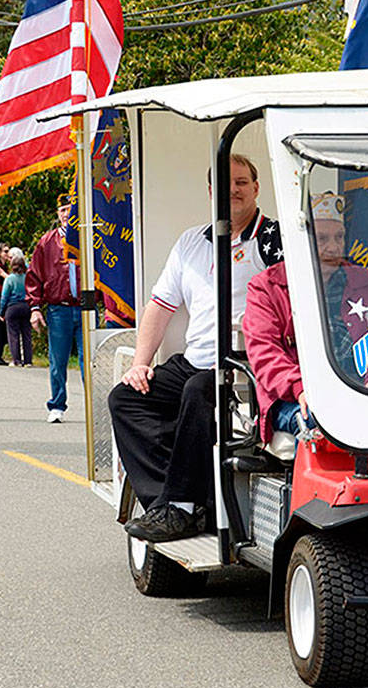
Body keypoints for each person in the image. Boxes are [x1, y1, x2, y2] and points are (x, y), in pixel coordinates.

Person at [110, 155, 283, 543]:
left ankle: (183, 505)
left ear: (256, 189)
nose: (233, 190)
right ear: (211, 192)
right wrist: (140, 363)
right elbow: (160, 307)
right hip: (196, 360)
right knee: (125, 398)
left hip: (245, 365)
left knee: (198, 392)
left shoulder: (273, 240)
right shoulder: (191, 242)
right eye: (225, 183)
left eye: (241, 182)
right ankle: (169, 503)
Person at [243, 193, 368, 443]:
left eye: (339, 237)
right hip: (293, 398)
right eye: (322, 238)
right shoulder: (266, 287)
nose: (334, 247)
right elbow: (264, 354)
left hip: (360, 391)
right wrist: (301, 388)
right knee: (319, 426)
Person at [26, 194, 83, 423]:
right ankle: (57, 405)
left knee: (89, 362)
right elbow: (34, 276)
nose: (67, 214)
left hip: (85, 308)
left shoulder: (89, 238)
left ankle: (93, 406)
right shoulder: (47, 242)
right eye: (63, 210)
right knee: (58, 360)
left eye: (71, 209)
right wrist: (35, 308)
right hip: (58, 309)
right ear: (57, 214)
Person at [1, 248, 31, 367]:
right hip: (26, 306)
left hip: (12, 307)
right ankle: (28, 360)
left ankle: (16, 360)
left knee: (13, 334)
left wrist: (1, 311)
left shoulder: (10, 279)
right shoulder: (28, 277)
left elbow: (4, 296)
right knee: (26, 334)